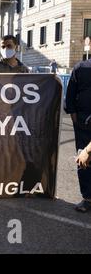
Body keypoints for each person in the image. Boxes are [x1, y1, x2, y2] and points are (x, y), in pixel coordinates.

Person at [65, 57, 91, 212]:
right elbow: (70, 95)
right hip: (83, 123)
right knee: (83, 160)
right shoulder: (80, 68)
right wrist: (74, 117)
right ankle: (87, 198)